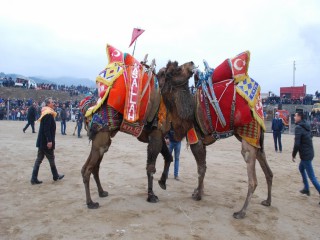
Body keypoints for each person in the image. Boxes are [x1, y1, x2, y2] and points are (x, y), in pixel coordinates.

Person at [30, 97, 64, 185]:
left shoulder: (45, 112)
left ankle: (34, 178)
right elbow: (47, 129)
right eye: (52, 102)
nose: (54, 103)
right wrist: (49, 141)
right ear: (48, 104)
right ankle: (55, 175)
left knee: (39, 159)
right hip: (46, 142)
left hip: (42, 141)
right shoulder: (48, 114)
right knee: (51, 158)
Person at [292, 111, 320, 205]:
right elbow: (310, 136)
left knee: (312, 176)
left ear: (299, 117)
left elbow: (297, 144)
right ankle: (306, 188)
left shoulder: (299, 128)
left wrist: (293, 155)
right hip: (310, 152)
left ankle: (310, 189)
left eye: (295, 116)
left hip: (306, 155)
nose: (294, 117)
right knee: (301, 168)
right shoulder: (306, 125)